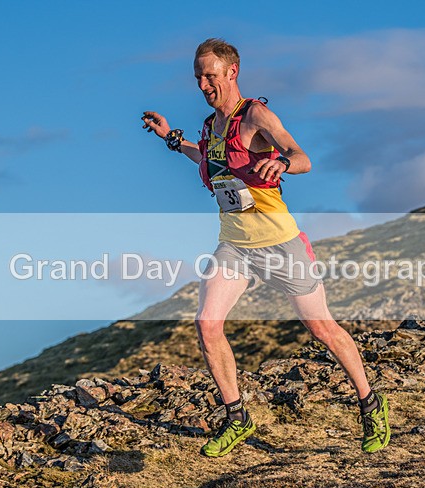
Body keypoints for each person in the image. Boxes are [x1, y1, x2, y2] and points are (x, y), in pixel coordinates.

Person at [141, 38, 389, 457]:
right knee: (207, 324)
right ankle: (236, 416)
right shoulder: (209, 126)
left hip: (280, 244)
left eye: (210, 75)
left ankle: (370, 402)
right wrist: (169, 138)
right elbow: (206, 159)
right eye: (198, 76)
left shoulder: (255, 115)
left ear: (232, 72)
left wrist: (283, 162)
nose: (203, 83)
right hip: (235, 246)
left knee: (321, 328)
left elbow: (302, 155)